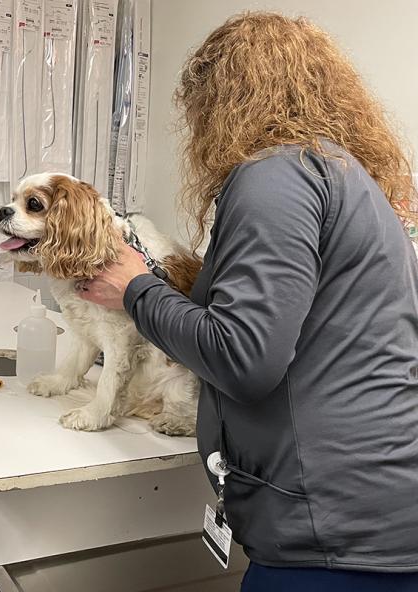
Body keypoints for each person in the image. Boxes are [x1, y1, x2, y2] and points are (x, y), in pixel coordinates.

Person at [77, 12, 418, 592]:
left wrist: (136, 287)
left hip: (332, 535)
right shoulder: (340, 173)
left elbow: (244, 357)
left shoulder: (276, 175)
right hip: (372, 511)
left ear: (222, 101)